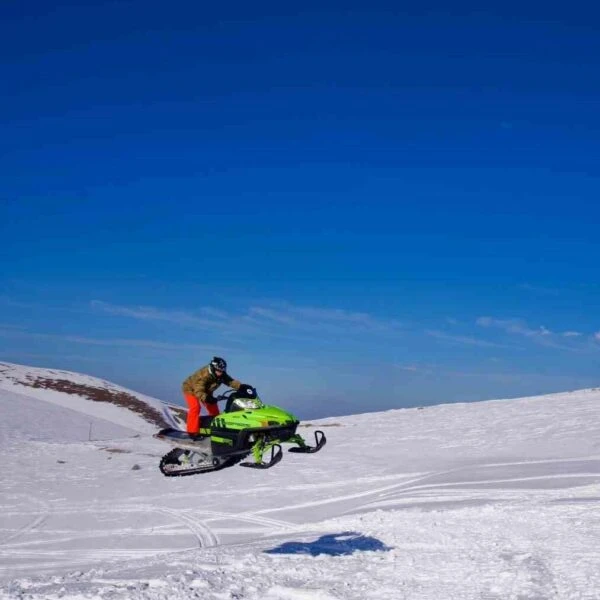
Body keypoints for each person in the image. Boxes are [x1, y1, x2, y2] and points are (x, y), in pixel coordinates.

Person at [181, 356, 243, 435]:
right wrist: (207, 398)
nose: (220, 373)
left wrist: (242, 387)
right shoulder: (204, 375)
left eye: (222, 371)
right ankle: (192, 432)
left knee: (214, 410)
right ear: (213, 368)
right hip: (191, 389)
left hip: (206, 391)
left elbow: (230, 381)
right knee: (195, 407)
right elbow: (199, 391)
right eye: (218, 371)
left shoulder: (221, 374)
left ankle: (214, 430)